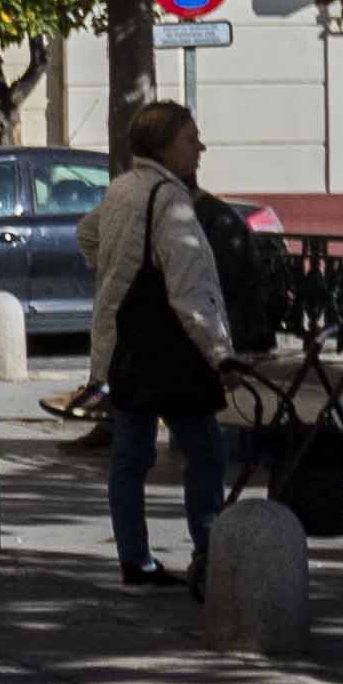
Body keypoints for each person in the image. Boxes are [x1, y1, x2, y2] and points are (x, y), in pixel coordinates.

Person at [81, 96, 241, 588]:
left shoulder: (122, 190)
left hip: (127, 347)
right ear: (165, 147)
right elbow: (189, 289)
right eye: (190, 140)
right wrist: (221, 354)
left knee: (130, 458)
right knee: (205, 451)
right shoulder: (170, 200)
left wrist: (115, 273)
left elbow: (85, 235)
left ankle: (135, 558)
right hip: (172, 353)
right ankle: (208, 551)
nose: (200, 149)